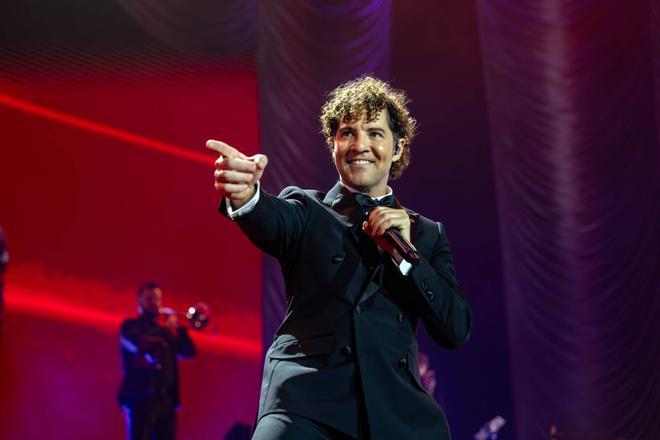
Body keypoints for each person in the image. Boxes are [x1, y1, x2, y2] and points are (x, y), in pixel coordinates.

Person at [207, 76, 472, 439]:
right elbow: (269, 217)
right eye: (347, 133)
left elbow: (455, 329)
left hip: (394, 413)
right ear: (333, 145)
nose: (360, 144)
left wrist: (407, 257)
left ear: (397, 148)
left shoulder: (427, 234)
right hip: (305, 403)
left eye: (374, 133)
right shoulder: (306, 208)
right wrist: (246, 195)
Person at [118, 282, 196, 440]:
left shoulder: (166, 333)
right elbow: (142, 344)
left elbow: (188, 352)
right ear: (140, 301)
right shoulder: (131, 326)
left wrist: (182, 330)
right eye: (149, 298)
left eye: (157, 299)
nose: (154, 302)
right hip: (140, 397)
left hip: (166, 399)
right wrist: (165, 329)